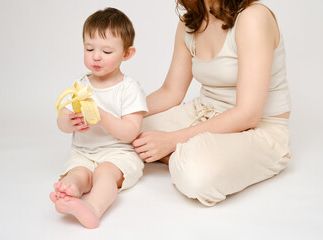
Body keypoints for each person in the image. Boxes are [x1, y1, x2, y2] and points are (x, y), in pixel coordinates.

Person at [133, 0, 291, 206]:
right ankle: (183, 153)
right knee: (129, 130)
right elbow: (170, 91)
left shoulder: (253, 17)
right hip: (204, 112)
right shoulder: (189, 23)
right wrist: (119, 113)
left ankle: (181, 155)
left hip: (259, 130)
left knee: (195, 175)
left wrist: (171, 141)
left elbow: (248, 114)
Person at [50, 7, 148, 228]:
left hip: (118, 154)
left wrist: (100, 116)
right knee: (78, 173)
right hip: (83, 152)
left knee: (104, 173)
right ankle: (70, 192)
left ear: (127, 54)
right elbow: (62, 119)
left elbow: (130, 131)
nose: (96, 56)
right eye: (89, 48)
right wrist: (67, 122)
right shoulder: (81, 85)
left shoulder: (129, 88)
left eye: (106, 52)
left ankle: (93, 208)